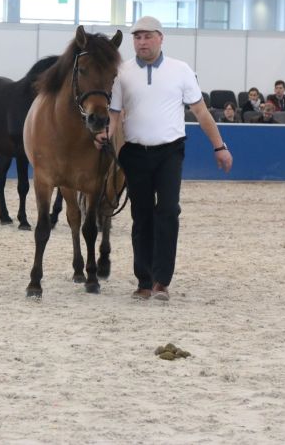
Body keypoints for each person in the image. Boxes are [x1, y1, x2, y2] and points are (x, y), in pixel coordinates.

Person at [96, 16, 232, 302]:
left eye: (147, 37)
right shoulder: (122, 73)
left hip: (170, 151)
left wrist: (220, 147)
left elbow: (201, 113)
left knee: (169, 211)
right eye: (137, 37)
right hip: (134, 153)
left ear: (161, 38)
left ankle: (162, 281)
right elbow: (115, 115)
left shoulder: (180, 70)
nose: (141, 42)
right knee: (141, 216)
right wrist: (104, 135)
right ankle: (144, 281)